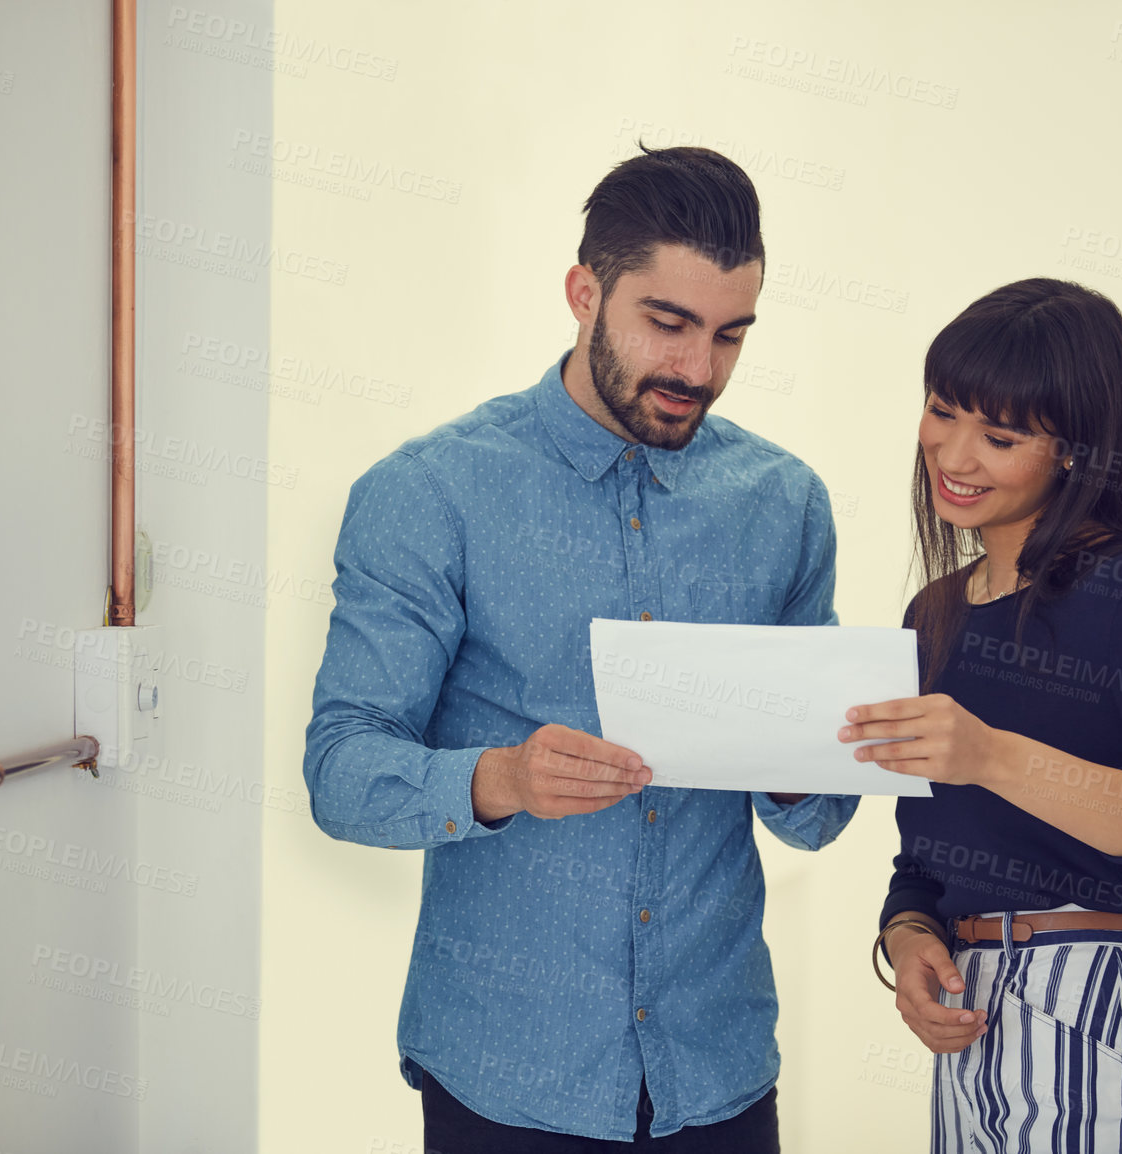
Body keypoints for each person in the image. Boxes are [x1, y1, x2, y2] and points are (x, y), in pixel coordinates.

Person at [303, 145, 856, 1151]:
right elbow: (341, 768)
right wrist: (500, 777)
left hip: (717, 1078)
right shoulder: (432, 493)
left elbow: (818, 817)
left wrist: (799, 754)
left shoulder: (784, 506)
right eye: (669, 323)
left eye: (732, 333)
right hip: (507, 1079)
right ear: (583, 291)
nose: (699, 369)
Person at [839, 278, 1122, 1152]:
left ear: (1074, 451)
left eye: (999, 436)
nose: (954, 455)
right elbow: (923, 857)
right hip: (967, 1027)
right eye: (942, 412)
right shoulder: (933, 613)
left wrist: (992, 755)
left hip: (1093, 1015)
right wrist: (907, 936)